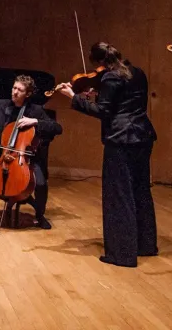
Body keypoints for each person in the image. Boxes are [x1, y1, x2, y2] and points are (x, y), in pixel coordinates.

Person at [57, 42, 158, 267]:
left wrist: (73, 97)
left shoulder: (110, 77)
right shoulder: (137, 72)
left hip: (121, 140)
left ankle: (122, 254)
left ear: (98, 62)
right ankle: (146, 245)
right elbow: (124, 103)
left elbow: (103, 112)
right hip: (143, 136)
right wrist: (98, 94)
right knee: (141, 190)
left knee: (119, 195)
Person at [0, 75, 62, 230]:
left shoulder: (35, 110)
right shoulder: (2, 105)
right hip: (2, 156)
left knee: (41, 184)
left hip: (27, 159)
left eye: (20, 90)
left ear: (27, 94)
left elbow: (57, 128)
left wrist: (35, 121)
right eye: (14, 88)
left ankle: (40, 216)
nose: (15, 92)